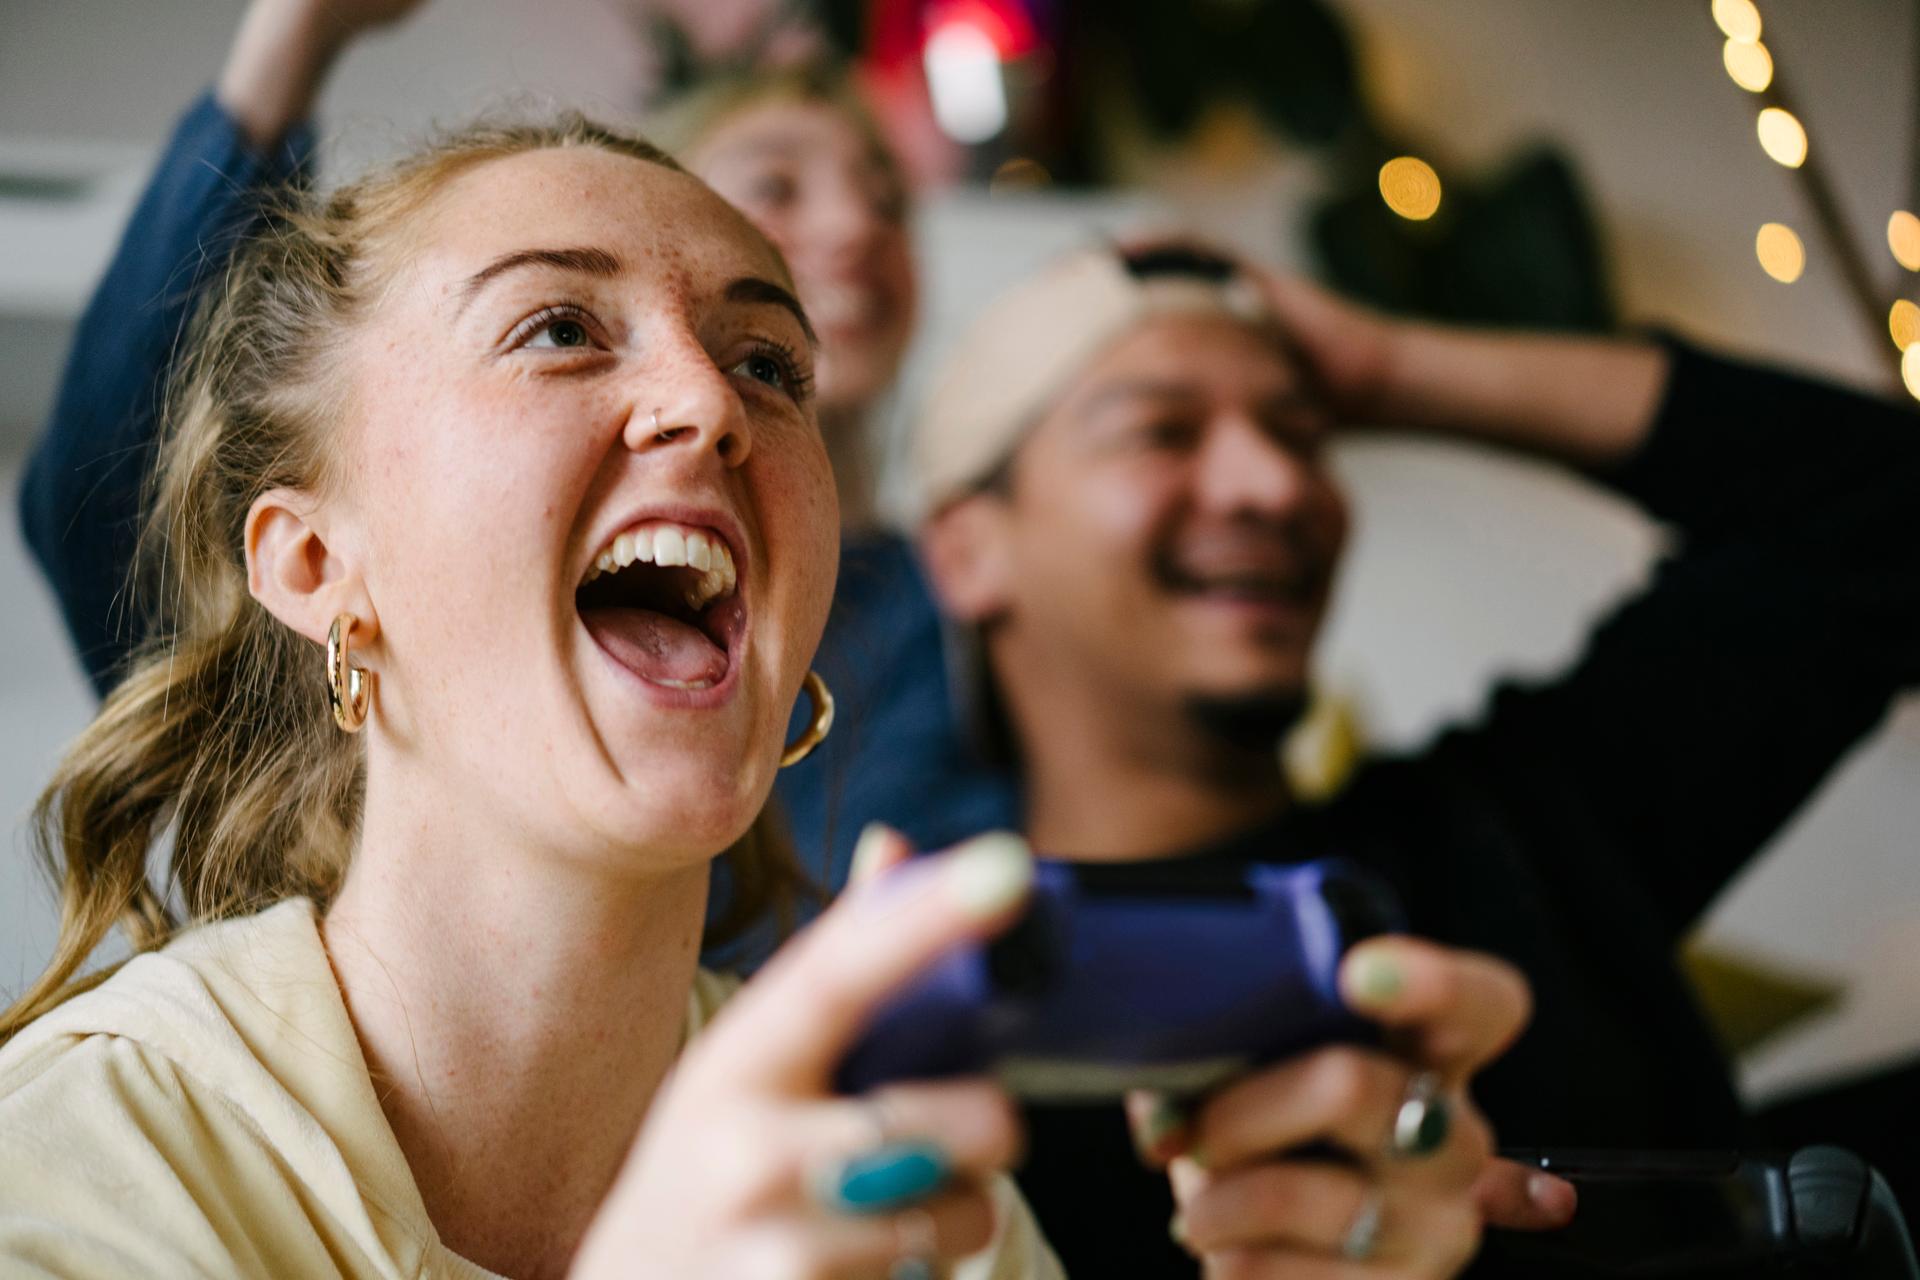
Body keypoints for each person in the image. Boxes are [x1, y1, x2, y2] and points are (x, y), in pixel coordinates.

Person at [0, 113, 1539, 1280]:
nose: (708, 406)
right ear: (317, 561)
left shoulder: (909, 1171)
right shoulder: (77, 1167)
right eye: (558, 328)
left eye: (768, 362)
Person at [908, 243, 1920, 1276]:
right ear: (967, 551)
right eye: (1160, 430)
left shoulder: (1513, 825)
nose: (1274, 482)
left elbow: (1886, 516)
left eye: (1304, 434)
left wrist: (1389, 367)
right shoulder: (959, 1046)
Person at [15, 0, 1014, 919]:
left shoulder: (917, 600)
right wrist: (289, 47)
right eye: (777, 185)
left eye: (889, 200)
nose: (854, 229)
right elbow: (110, 510)